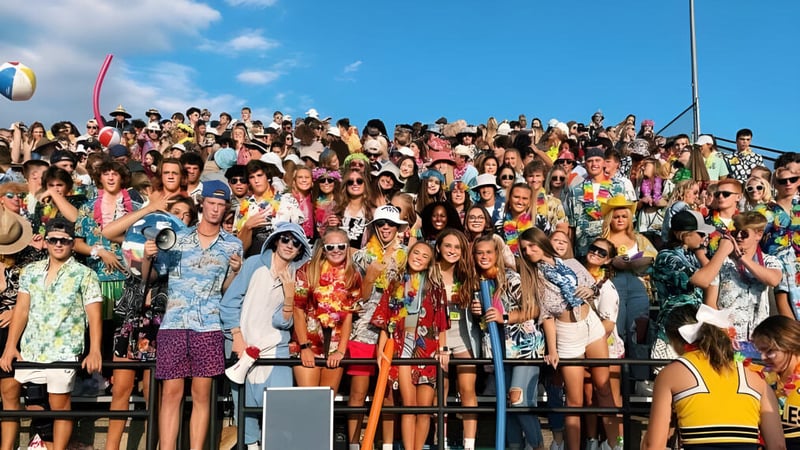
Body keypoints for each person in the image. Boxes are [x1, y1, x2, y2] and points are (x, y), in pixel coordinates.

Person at [153, 181, 243, 450]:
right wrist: (147, 257)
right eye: (211, 203)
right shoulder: (176, 238)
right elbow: (158, 273)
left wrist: (236, 273)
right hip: (174, 324)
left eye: (220, 204)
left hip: (209, 326)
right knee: (170, 394)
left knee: (202, 395)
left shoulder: (233, 245)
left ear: (227, 208)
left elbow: (226, 290)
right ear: (201, 203)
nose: (215, 209)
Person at [0, 218, 103, 450]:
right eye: (53, 240)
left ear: (72, 243)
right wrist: (10, 346)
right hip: (32, 348)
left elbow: (94, 315)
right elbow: (22, 310)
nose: (58, 244)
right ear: (45, 242)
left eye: (64, 241)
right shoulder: (30, 271)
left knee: (59, 406)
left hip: (64, 348)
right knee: (34, 403)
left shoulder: (85, 274)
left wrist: (95, 349)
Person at [518, 227, 623, 450]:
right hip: (566, 332)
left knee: (604, 388)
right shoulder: (533, 276)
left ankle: (615, 445)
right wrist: (553, 350)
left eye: (531, 245)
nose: (528, 251)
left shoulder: (572, 263)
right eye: (524, 248)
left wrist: (590, 291)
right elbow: (546, 315)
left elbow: (594, 288)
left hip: (591, 324)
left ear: (541, 242)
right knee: (574, 401)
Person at [642, 303, 785, 450]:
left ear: (675, 340)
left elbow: (653, 445)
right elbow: (778, 445)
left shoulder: (670, 374)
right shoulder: (756, 378)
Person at [220, 221, 311, 450]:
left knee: (279, 415)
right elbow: (228, 304)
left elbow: (282, 323)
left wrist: (289, 297)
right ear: (276, 240)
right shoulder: (252, 265)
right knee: (246, 412)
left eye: (296, 243)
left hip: (275, 351)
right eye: (286, 239)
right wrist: (237, 337)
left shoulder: (296, 277)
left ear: (301, 249)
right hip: (243, 350)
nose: (290, 245)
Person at [371, 241, 449, 450]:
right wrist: (381, 351)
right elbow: (384, 322)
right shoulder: (396, 283)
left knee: (424, 409)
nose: (419, 258)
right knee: (408, 405)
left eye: (425, 256)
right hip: (402, 349)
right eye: (416, 253)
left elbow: (442, 324)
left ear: (429, 262)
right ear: (409, 254)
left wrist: (444, 350)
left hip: (428, 350)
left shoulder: (436, 288)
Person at [473, 234, 545, 450]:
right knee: (506, 404)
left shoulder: (511, 278)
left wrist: (503, 317)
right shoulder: (481, 282)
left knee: (518, 400)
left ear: (497, 254)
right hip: (500, 350)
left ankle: (538, 446)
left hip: (524, 347)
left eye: (489, 252)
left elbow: (533, 309)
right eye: (480, 252)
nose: (484, 256)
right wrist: (478, 313)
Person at [348, 205, 408, 449]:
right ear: (374, 227)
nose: (385, 228)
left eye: (390, 224)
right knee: (357, 394)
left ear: (397, 228)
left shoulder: (408, 256)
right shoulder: (361, 256)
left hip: (393, 331)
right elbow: (353, 300)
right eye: (381, 224)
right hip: (363, 329)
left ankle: (386, 446)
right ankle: (354, 445)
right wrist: (370, 278)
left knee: (388, 395)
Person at [691, 211, 781, 354]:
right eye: (735, 232)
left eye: (744, 233)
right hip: (727, 339)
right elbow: (711, 303)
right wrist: (725, 334)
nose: (738, 236)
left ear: (758, 235)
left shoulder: (769, 261)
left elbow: (773, 280)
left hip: (758, 340)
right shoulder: (721, 263)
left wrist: (742, 258)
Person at [292, 229, 360, 393]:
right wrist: (304, 347)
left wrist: (341, 351)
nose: (336, 251)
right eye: (330, 247)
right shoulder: (307, 270)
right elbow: (298, 309)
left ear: (347, 248)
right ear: (323, 249)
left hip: (335, 345)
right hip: (310, 341)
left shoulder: (353, 275)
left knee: (326, 403)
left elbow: (348, 315)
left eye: (341, 246)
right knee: (309, 400)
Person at [752, 315, 800, 450]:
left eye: (770, 351)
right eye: (760, 351)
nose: (762, 357)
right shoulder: (762, 380)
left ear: (789, 344)